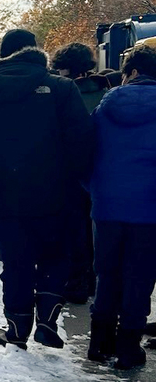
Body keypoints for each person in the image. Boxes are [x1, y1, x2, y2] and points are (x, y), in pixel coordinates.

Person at [0, 29, 94, 350]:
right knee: (55, 256)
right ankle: (47, 322)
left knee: (16, 262)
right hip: (56, 195)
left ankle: (16, 328)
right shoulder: (61, 90)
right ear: (36, 51)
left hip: (2, 198)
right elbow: (82, 142)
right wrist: (70, 178)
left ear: (4, 55)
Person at [87, 46, 156, 370]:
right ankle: (128, 350)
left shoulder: (105, 106)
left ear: (130, 73)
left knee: (108, 274)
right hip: (150, 211)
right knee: (139, 278)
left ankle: (98, 344)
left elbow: (85, 153)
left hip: (107, 207)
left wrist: (97, 190)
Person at [51, 42, 110, 304]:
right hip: (100, 170)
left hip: (68, 172)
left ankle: (76, 283)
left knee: (73, 230)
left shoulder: (63, 93)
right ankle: (95, 280)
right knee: (94, 227)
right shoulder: (105, 90)